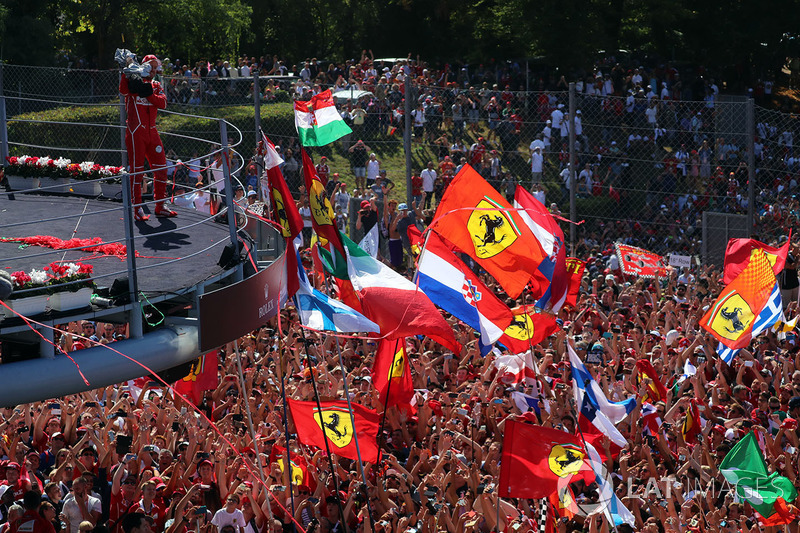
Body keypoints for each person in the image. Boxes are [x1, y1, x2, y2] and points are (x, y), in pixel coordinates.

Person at [119, 54, 176, 221]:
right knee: (137, 172)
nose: (152, 70)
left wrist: (148, 94)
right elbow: (123, 90)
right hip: (136, 133)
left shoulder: (156, 85)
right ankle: (137, 208)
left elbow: (163, 103)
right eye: (149, 66)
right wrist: (127, 73)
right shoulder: (132, 81)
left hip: (152, 132)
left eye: (155, 66)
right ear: (143, 66)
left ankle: (160, 205)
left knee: (161, 168)